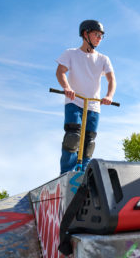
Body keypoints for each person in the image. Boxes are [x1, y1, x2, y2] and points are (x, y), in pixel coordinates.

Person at [55, 20, 117, 174]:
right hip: (74, 102)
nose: (99, 38)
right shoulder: (70, 53)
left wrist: (109, 95)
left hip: (94, 106)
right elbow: (60, 72)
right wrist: (67, 88)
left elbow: (111, 79)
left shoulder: (103, 59)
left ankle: (83, 175)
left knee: (89, 143)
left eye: (101, 36)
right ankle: (67, 174)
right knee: (73, 138)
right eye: (96, 34)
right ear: (85, 34)